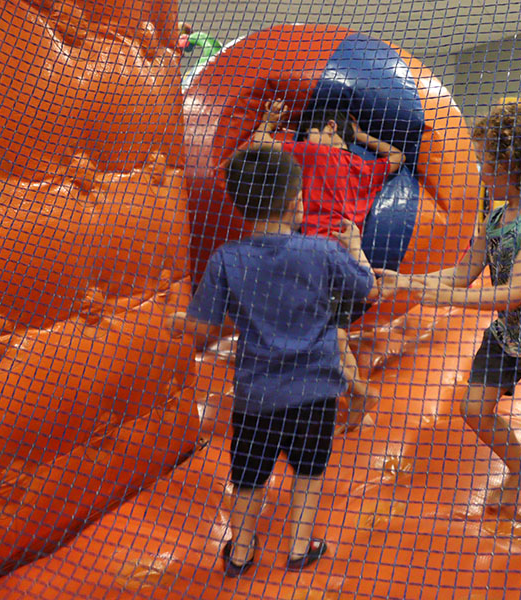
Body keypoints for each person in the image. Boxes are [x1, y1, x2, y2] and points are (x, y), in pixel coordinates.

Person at [168, 145, 393, 575]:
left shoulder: (226, 259)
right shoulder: (321, 251)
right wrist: (354, 246)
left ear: (240, 206)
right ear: (296, 203)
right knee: (309, 470)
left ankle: (240, 551)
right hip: (314, 391)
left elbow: (203, 329)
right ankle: (299, 546)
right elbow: (370, 290)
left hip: (257, 395)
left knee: (249, 474)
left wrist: (181, 322)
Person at [388, 103, 521, 552]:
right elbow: (463, 272)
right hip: (507, 336)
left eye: (487, 163)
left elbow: (512, 292)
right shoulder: (496, 216)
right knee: (474, 408)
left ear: (514, 167)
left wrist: (441, 298)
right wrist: (410, 282)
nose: (481, 171)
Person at [249, 100, 406, 431]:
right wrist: (360, 137)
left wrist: (268, 121)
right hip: (348, 260)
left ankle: (357, 392)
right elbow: (397, 157)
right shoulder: (361, 168)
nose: (305, 139)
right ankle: (356, 398)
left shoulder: (315, 154)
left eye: (308, 133)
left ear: (330, 127)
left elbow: (259, 146)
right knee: (334, 332)